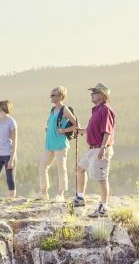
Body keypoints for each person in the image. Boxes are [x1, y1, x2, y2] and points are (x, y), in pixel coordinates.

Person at [73, 83, 116, 217]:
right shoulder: (96, 110)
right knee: (80, 168)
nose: (92, 94)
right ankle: (80, 198)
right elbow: (94, 129)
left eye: (95, 92)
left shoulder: (105, 110)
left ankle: (104, 208)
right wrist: (81, 131)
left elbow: (107, 131)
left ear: (103, 96)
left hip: (100, 148)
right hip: (93, 149)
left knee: (102, 178)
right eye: (92, 92)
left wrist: (103, 148)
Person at [40, 86, 78, 201]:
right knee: (42, 167)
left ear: (60, 97)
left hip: (60, 143)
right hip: (50, 143)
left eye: (53, 95)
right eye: (51, 95)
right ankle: (43, 193)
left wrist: (64, 130)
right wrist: (48, 128)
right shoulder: (52, 109)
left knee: (61, 169)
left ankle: (61, 194)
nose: (50, 97)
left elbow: (76, 124)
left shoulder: (64, 109)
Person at [0, 100, 17, 199]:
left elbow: (15, 141)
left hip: (8, 154)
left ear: (4, 109)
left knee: (10, 179)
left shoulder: (12, 122)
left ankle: (11, 202)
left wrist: (12, 158)